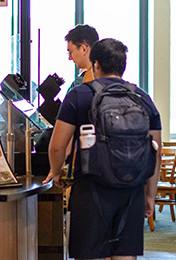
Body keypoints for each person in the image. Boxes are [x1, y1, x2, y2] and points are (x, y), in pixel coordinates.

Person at [44, 39, 163, 260]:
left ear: (95, 64)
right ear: (123, 65)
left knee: (91, 254)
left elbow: (57, 146)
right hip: (132, 189)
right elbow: (156, 151)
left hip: (90, 188)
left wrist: (57, 172)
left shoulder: (79, 95)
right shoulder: (143, 98)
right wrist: (150, 195)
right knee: (125, 255)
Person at [64, 24, 100, 92]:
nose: (70, 58)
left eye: (71, 52)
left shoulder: (88, 83)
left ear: (83, 49)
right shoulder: (106, 76)